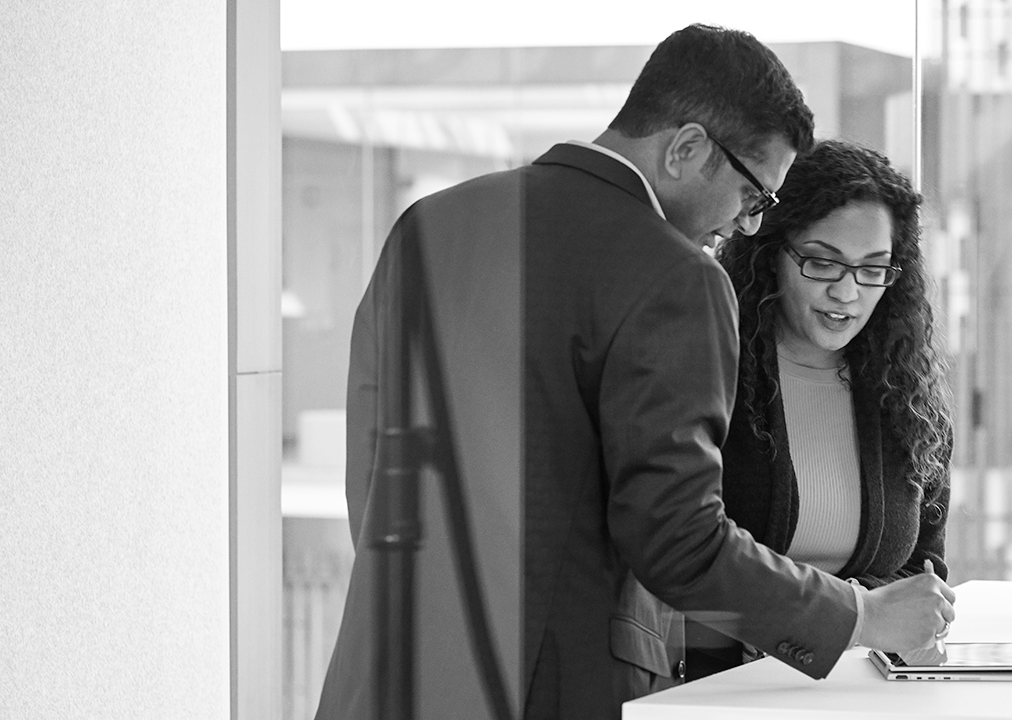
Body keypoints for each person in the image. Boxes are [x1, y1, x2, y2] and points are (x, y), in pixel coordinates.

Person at [315, 25, 954, 720]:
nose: (744, 225)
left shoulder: (427, 225)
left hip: (386, 672)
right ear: (686, 149)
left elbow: (373, 468)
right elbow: (679, 544)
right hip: (556, 689)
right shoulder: (676, 278)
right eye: (754, 197)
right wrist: (859, 615)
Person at [687, 139, 955, 679]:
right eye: (820, 262)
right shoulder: (709, 372)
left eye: (873, 269)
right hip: (718, 693)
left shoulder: (908, 399)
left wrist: (860, 616)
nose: (847, 292)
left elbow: (924, 576)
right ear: (771, 253)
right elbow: (685, 554)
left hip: (859, 696)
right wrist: (857, 615)